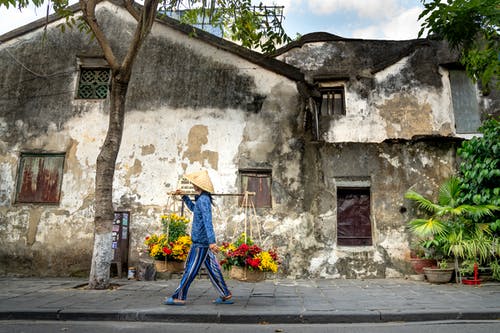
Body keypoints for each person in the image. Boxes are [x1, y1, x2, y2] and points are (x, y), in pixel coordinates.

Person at [163, 170, 233, 306]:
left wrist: (212, 242)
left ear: (199, 186)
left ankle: (180, 296)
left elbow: (208, 221)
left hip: (201, 242)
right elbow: (195, 210)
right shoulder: (201, 199)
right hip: (203, 242)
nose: (194, 186)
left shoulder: (204, 200)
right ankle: (225, 294)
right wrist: (184, 197)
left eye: (195, 184)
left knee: (190, 268)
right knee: (213, 269)